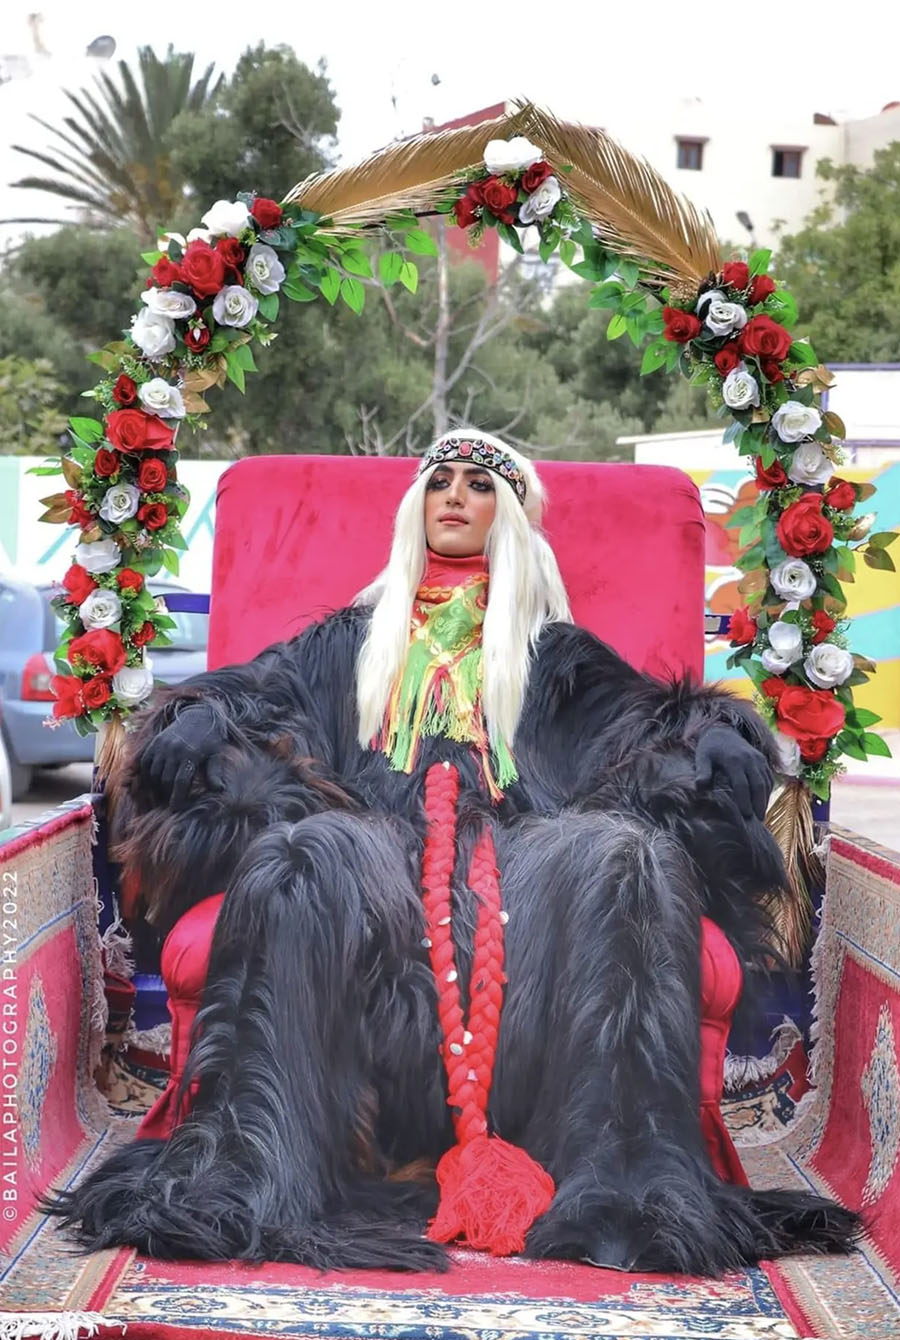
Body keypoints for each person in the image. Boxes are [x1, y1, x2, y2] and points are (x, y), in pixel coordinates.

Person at [48, 432, 859, 1274]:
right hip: (371, 853)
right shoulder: (344, 643)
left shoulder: (559, 658)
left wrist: (717, 735)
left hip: (530, 861)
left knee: (626, 855)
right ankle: (259, 1170)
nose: (456, 496)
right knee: (301, 852)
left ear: (508, 515)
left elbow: (649, 725)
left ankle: (620, 1187)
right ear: (417, 507)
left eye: (478, 484)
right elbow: (256, 698)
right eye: (441, 481)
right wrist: (200, 721)